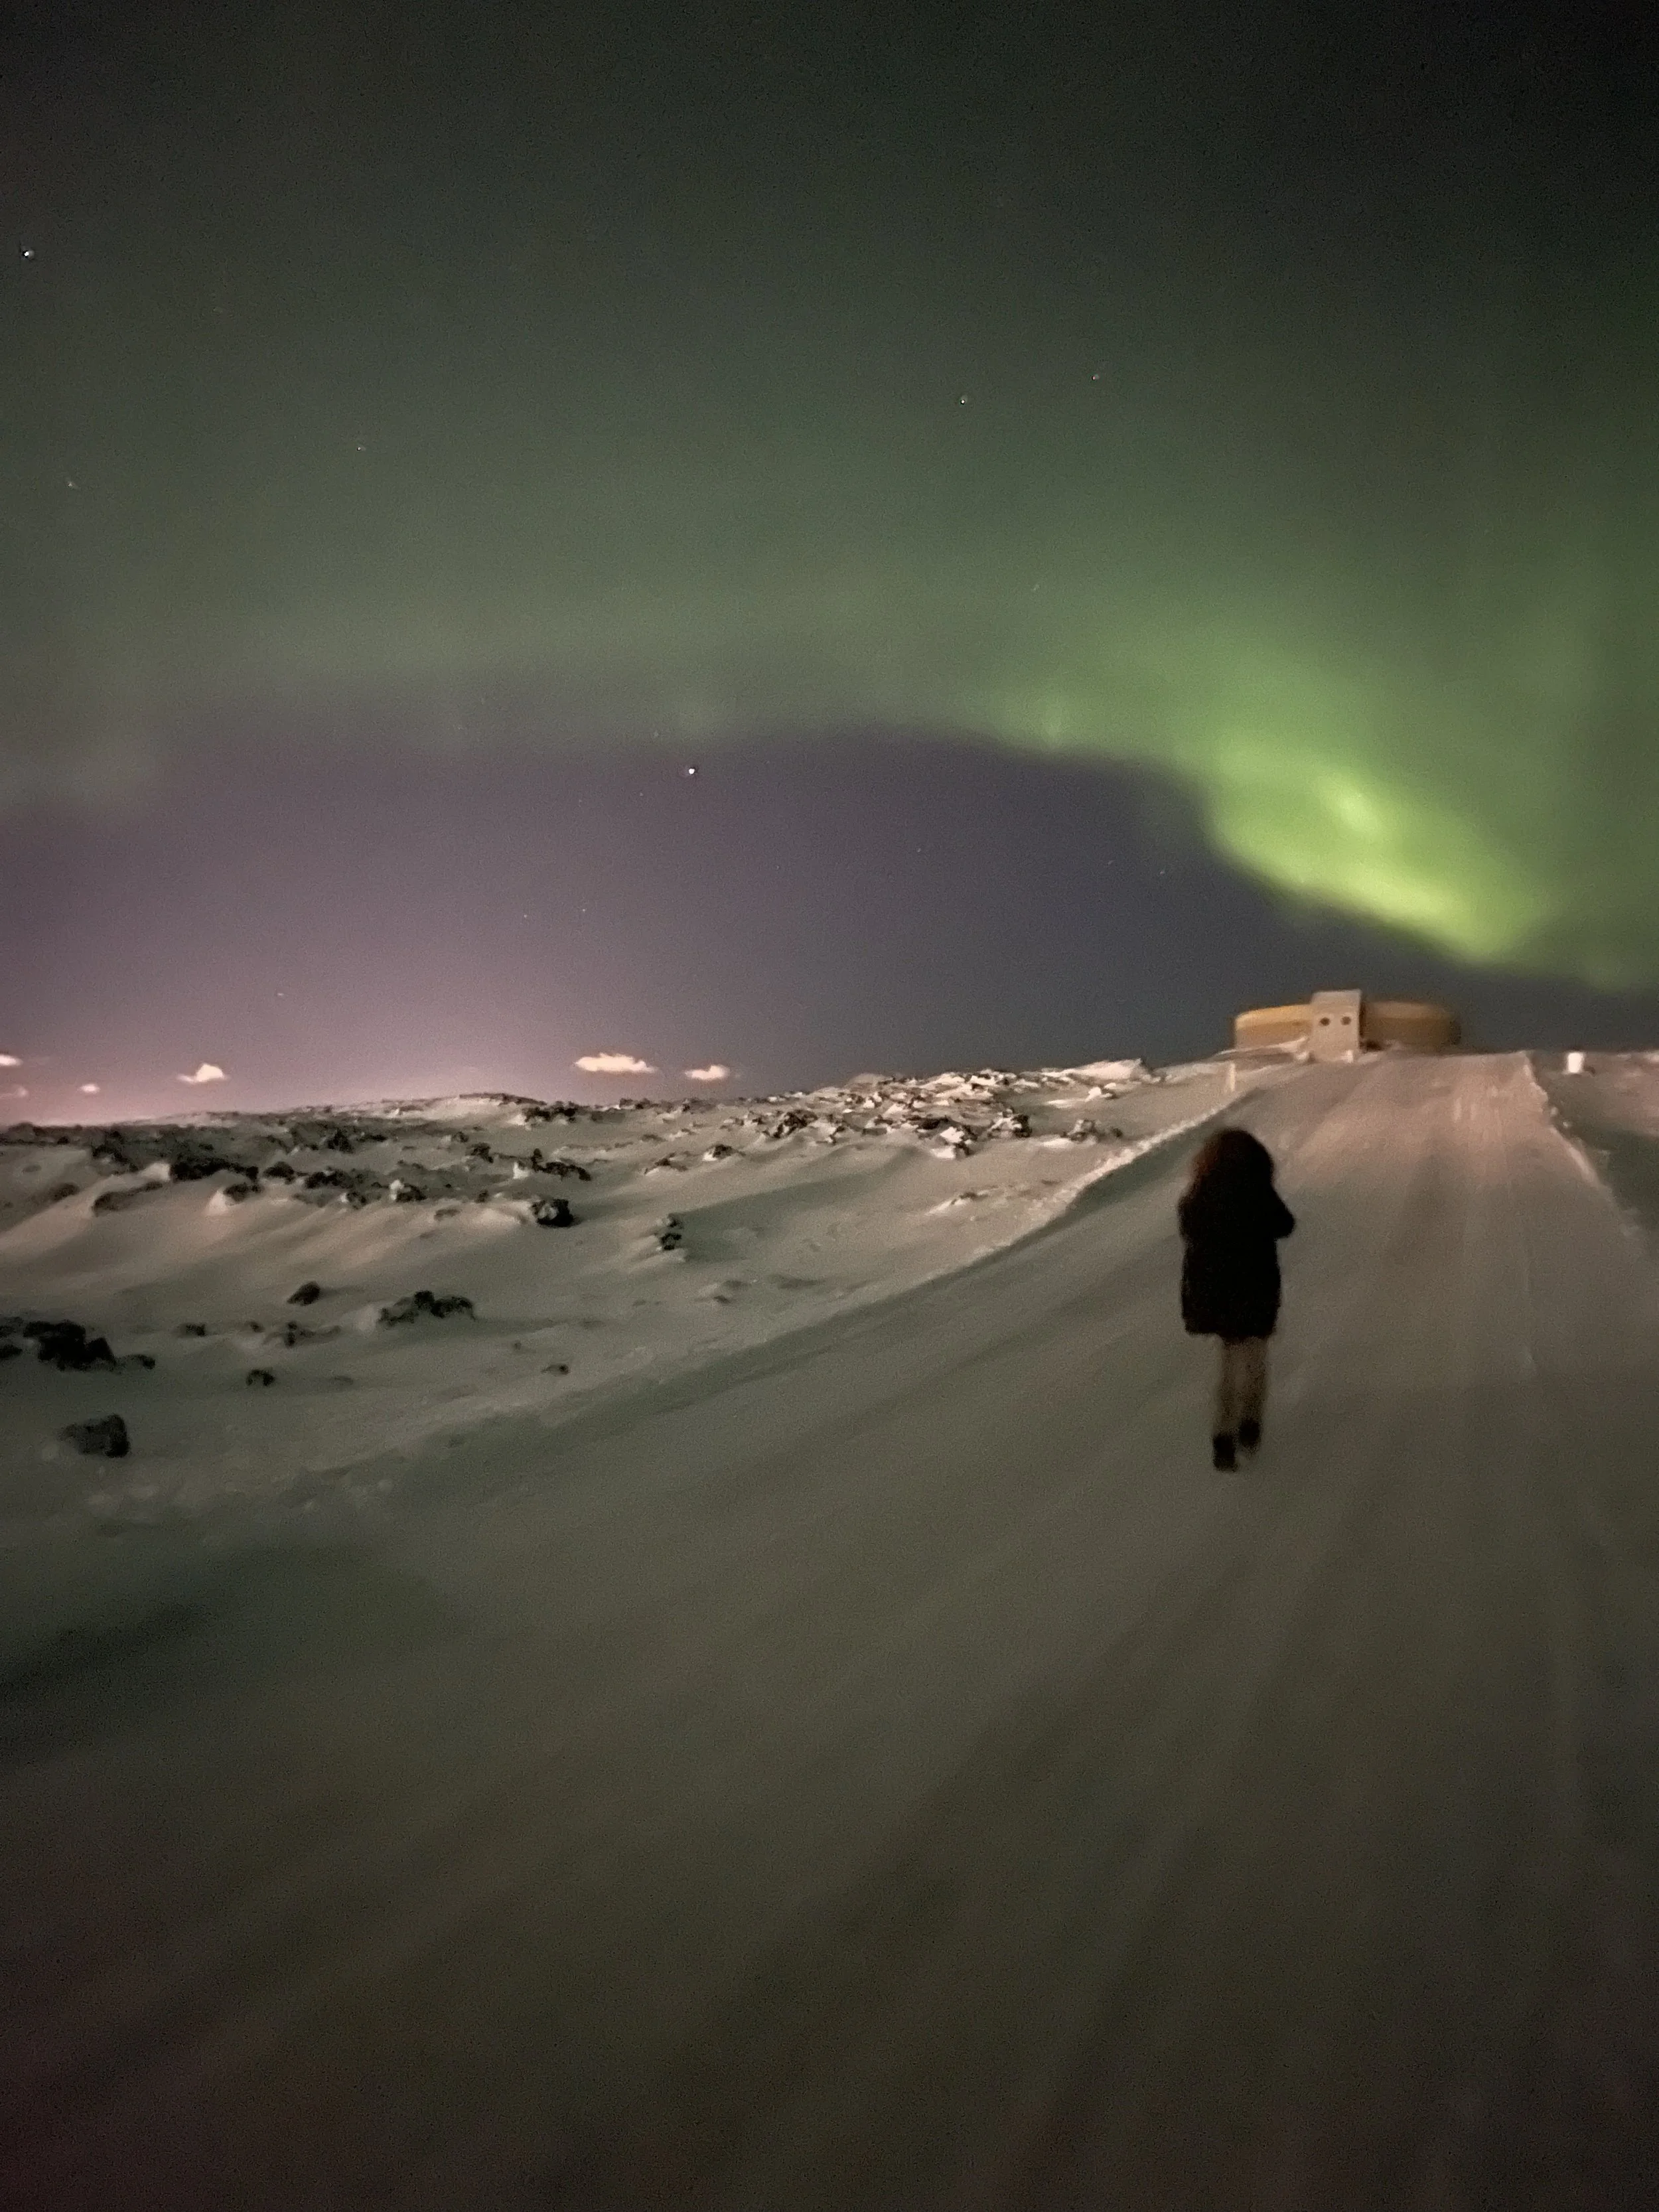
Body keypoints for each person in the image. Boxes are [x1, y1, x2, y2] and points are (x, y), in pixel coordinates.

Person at [1178, 1127, 1295, 1471]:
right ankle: (1250, 1424)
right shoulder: (1258, 1192)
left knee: (1228, 1361)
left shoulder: (1200, 1194)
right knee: (1255, 1358)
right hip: (1255, 1287)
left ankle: (1223, 1437)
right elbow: (1285, 1226)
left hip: (1215, 1291)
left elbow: (1189, 1231)